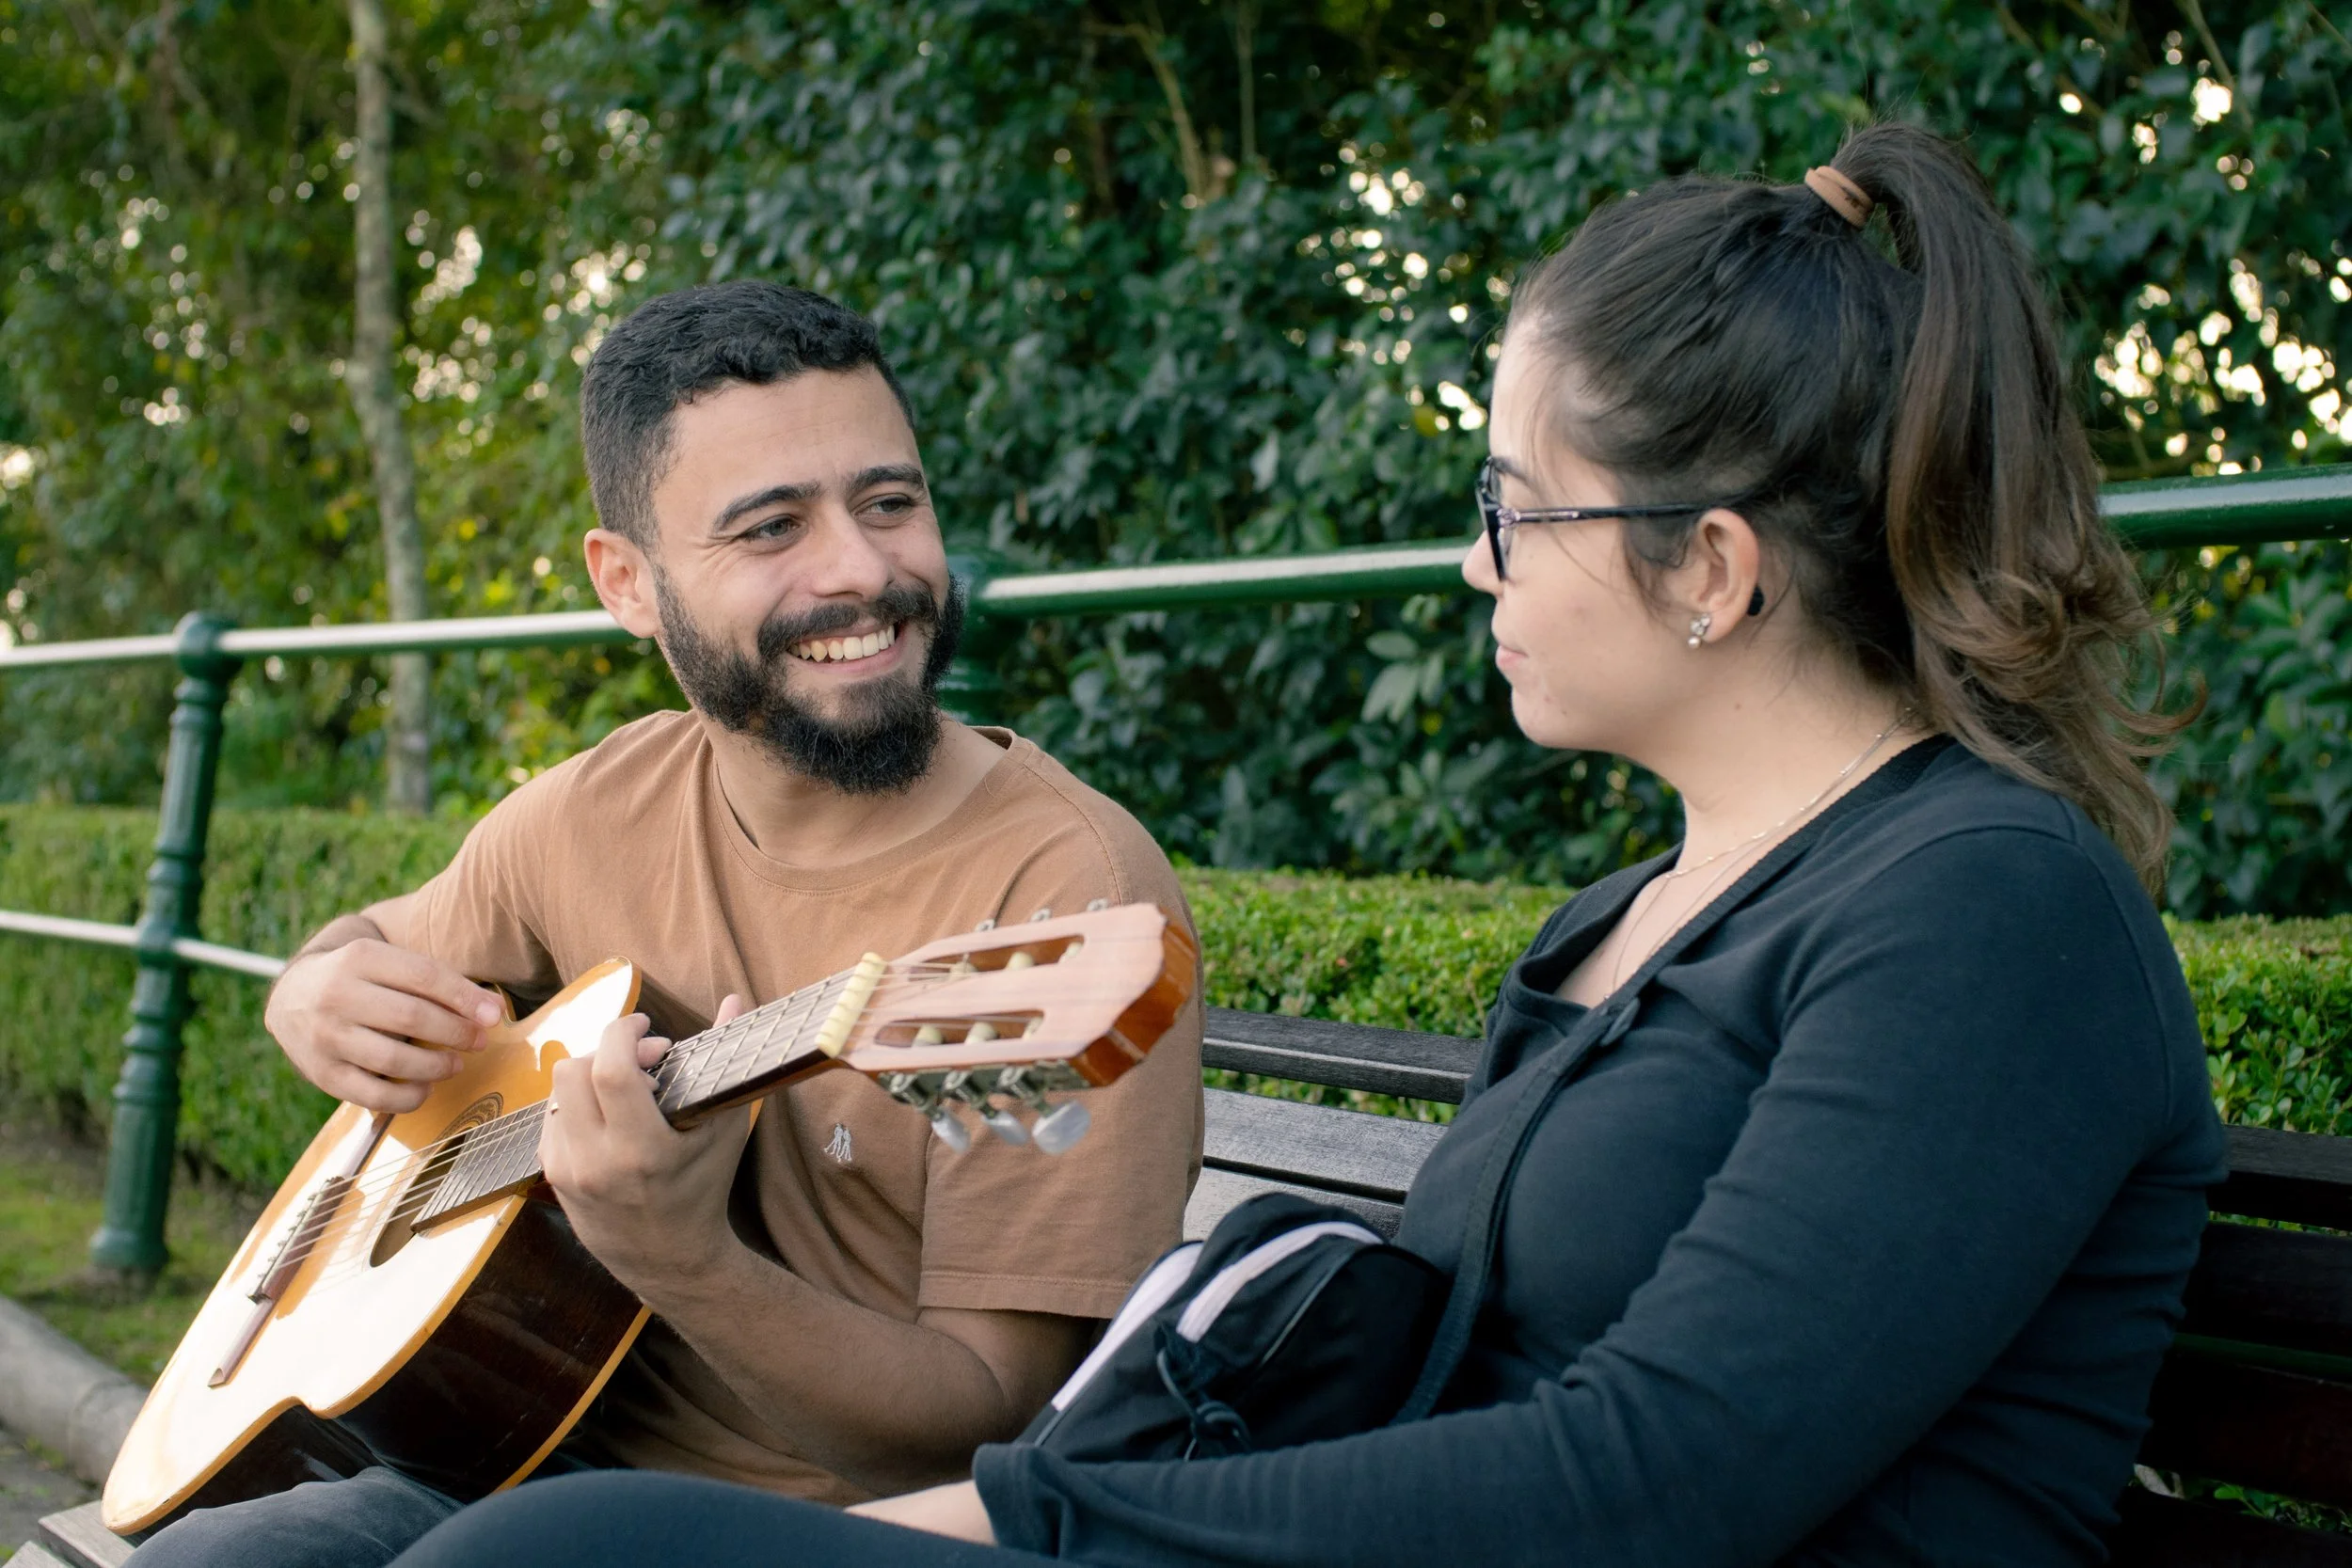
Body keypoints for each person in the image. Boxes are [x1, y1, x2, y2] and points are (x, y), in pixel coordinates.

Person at [381, 123, 2228, 1568]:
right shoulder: (1626, 920)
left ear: (1710, 568)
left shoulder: (1987, 909)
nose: (1469, 561)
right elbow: (1426, 1377)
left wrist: (1017, 1521)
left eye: (1506, 506)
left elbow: (1654, 1482)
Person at [127, 280, 1204, 1568]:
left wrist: (681, 1254)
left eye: (889, 501)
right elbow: (365, 943)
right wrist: (307, 990)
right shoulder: (594, 808)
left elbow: (986, 1436)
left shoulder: (1060, 894)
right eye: (770, 528)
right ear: (628, 582)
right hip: (502, 1455)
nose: (862, 571)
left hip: (845, 1532)